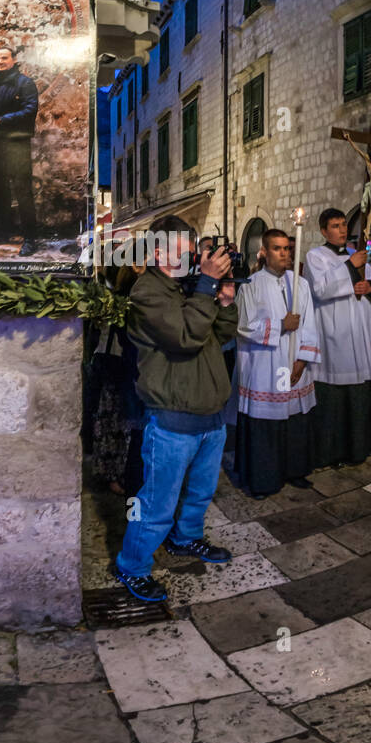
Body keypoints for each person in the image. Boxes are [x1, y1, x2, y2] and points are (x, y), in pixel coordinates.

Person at [115, 219, 238, 604]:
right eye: (182, 248)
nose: (191, 254)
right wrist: (205, 286)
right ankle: (131, 566)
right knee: (156, 503)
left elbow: (219, 335)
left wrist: (226, 303)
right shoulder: (147, 292)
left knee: (200, 493)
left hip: (209, 416)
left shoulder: (187, 287)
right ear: (155, 252)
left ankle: (185, 539)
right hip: (172, 420)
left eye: (191, 246)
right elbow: (185, 338)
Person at [232, 229, 319, 497]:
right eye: (278, 249)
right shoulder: (251, 284)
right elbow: (243, 325)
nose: (284, 253)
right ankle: (264, 479)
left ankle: (294, 470)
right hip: (266, 365)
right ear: (265, 252)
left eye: (287, 249)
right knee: (267, 422)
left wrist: (303, 361)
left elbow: (310, 323)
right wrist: (280, 325)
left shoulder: (300, 284)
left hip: (293, 365)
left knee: (293, 418)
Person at [303, 209, 371, 468]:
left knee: (363, 387)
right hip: (335, 330)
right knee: (337, 392)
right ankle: (334, 450)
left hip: (361, 328)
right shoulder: (315, 256)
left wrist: (369, 287)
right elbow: (319, 289)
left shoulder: (354, 252)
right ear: (323, 231)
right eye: (335, 226)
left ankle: (364, 444)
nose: (341, 230)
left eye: (343, 225)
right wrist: (351, 267)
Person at [0, 42, 42, 253]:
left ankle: (30, 239)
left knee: (23, 191)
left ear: (13, 60)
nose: (0, 62)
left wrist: (1, 121)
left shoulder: (25, 83)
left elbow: (30, 110)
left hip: (18, 144)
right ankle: (2, 232)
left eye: (4, 58)